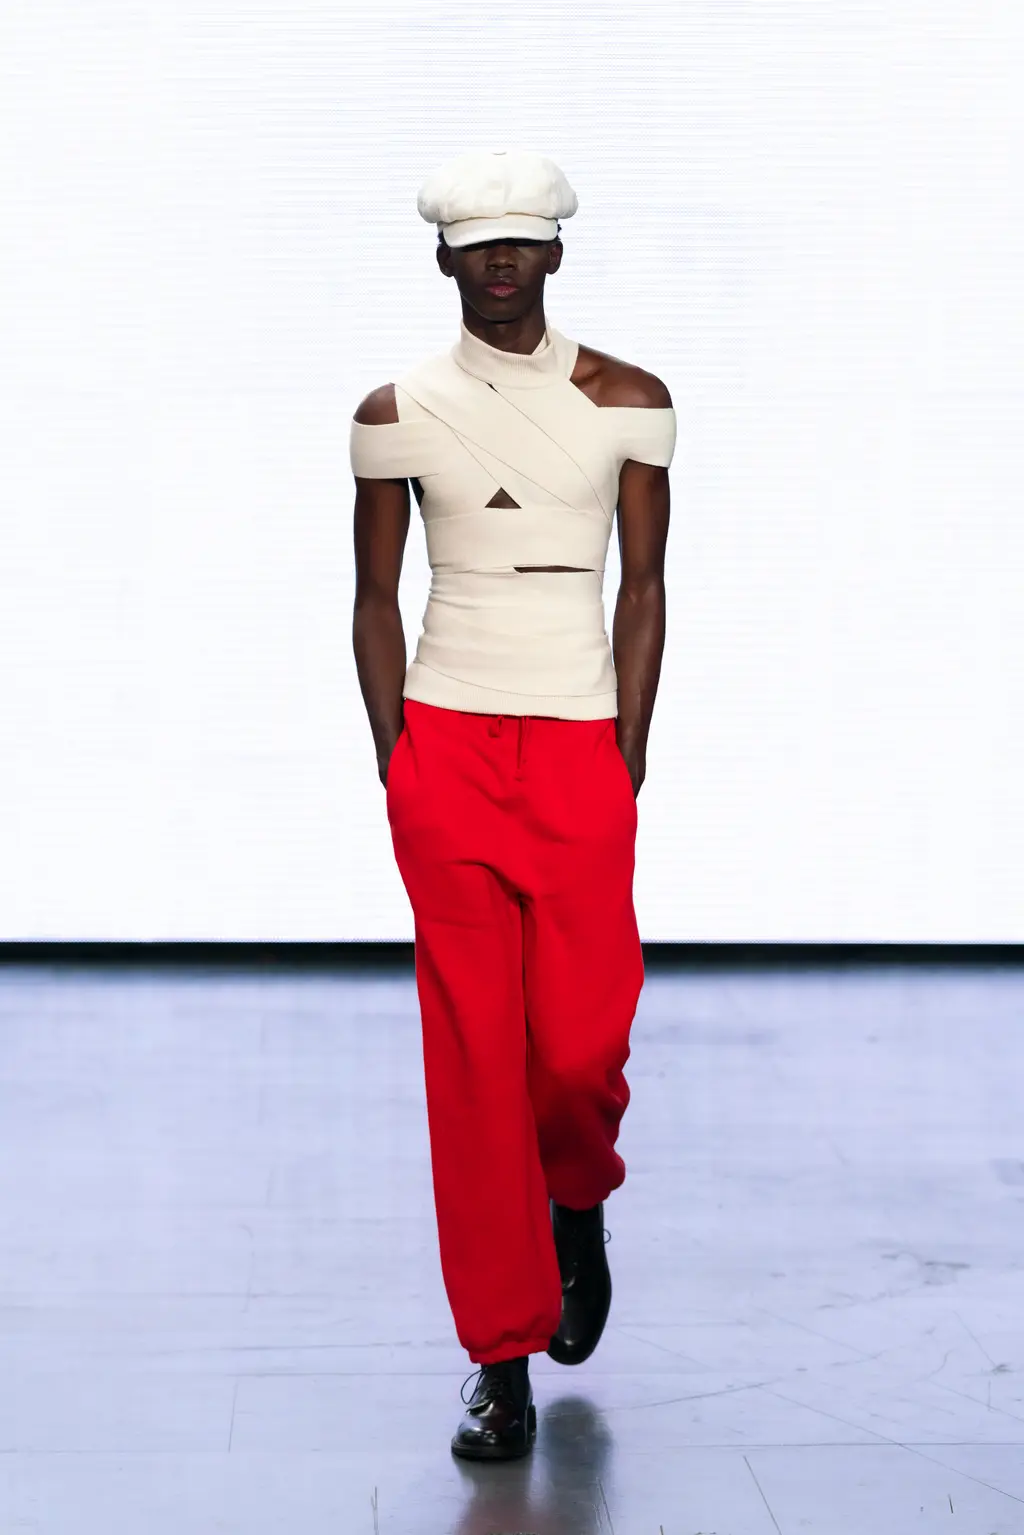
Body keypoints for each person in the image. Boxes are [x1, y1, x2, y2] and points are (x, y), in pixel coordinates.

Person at [350, 149, 676, 1461]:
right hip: (450, 747)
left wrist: (626, 751)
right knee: (476, 1062)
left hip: (579, 743)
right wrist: (399, 760)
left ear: (554, 253)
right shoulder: (394, 410)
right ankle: (499, 1356)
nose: (500, 260)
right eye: (479, 241)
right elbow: (374, 597)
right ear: (444, 256)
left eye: (521, 239)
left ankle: (576, 1201)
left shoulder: (630, 401)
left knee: (578, 1050)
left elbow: (644, 585)